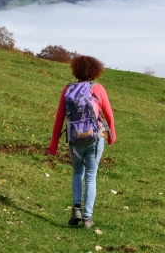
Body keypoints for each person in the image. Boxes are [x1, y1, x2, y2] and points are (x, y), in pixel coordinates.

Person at [48, 55, 117, 228]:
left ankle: (76, 210)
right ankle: (87, 218)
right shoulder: (98, 88)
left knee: (78, 173)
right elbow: (108, 114)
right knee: (91, 176)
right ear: (96, 70)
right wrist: (112, 135)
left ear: (75, 70)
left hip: (74, 139)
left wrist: (54, 143)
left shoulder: (67, 89)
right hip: (94, 138)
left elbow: (59, 118)